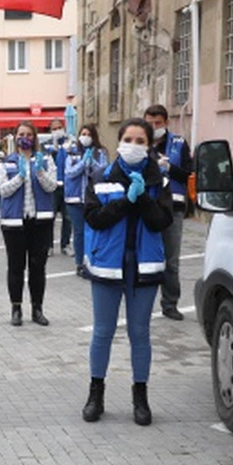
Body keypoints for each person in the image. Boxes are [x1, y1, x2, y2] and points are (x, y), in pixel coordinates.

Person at [81, 118, 173, 426]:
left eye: (140, 141)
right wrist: (125, 201)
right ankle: (96, 394)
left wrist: (143, 198)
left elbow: (162, 222)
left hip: (144, 267)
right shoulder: (101, 176)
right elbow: (94, 218)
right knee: (102, 332)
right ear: (119, 142)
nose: (134, 146)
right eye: (128, 140)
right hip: (108, 266)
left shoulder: (158, 180)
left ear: (149, 146)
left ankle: (140, 397)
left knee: (140, 333)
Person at [0, 120, 59, 326]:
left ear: (35, 137)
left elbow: (52, 187)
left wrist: (39, 172)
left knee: (38, 266)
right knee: (16, 266)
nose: (25, 138)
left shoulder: (46, 160)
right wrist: (20, 177)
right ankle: (16, 308)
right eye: (21, 134)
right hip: (14, 222)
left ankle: (37, 309)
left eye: (29, 135)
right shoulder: (7, 162)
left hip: (40, 221)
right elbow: (1, 190)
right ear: (15, 137)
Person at [144, 104, 192, 321]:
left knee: (171, 261)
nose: (154, 127)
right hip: (148, 207)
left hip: (174, 208)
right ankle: (141, 302)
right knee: (146, 257)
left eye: (158, 123)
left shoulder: (178, 144)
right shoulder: (139, 143)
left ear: (166, 123)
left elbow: (189, 174)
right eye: (150, 123)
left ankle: (170, 303)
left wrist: (170, 168)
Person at [64, 125, 109, 279]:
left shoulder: (100, 152)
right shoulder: (72, 152)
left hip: (94, 198)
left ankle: (91, 261)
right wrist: (83, 163)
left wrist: (92, 163)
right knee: (79, 232)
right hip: (75, 199)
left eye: (89, 134)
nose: (86, 137)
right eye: (83, 134)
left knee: (93, 231)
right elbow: (69, 172)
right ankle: (79, 263)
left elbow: (104, 172)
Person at [47, 118, 74, 255]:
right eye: (54, 129)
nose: (57, 131)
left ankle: (65, 244)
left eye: (59, 128)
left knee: (67, 217)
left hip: (67, 186)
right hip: (52, 186)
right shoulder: (47, 146)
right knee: (49, 217)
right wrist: (54, 149)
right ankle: (49, 246)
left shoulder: (70, 144)